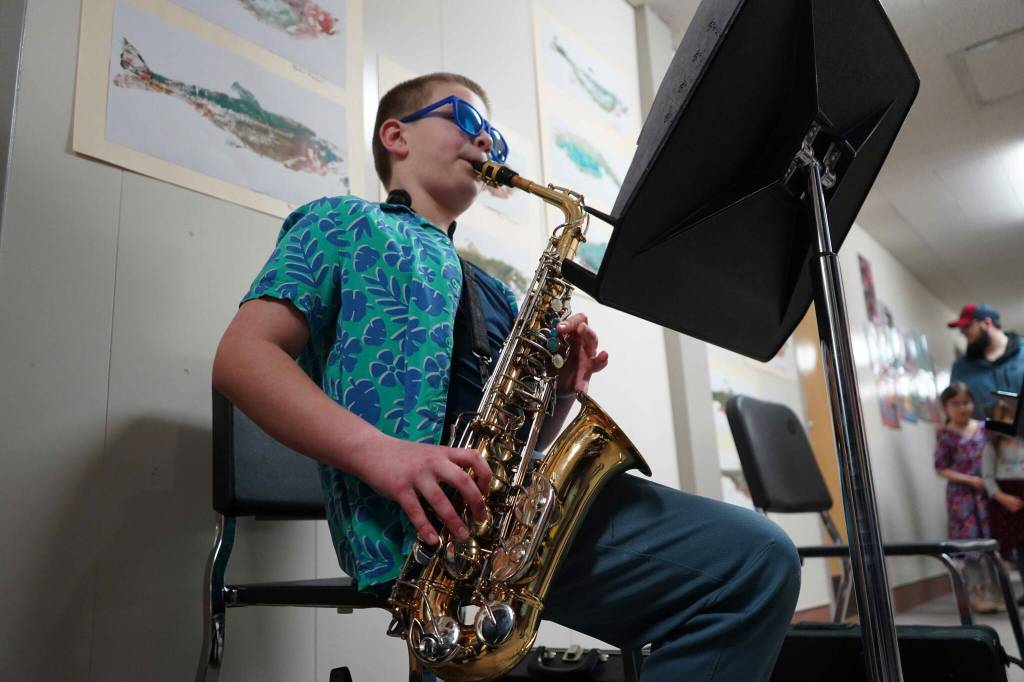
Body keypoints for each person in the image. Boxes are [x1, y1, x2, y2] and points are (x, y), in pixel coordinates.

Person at [212, 72, 800, 681]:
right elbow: (241, 358)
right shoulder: (339, 222)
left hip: (504, 512)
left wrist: (560, 393)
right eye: (468, 121)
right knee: (751, 564)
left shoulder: (494, 289)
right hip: (424, 529)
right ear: (396, 136)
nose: (487, 142)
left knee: (751, 563)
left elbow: (517, 444)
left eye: (495, 135)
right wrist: (383, 454)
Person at [934, 382, 998, 612]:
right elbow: (941, 468)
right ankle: (976, 593)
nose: (962, 408)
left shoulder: (984, 428)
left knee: (991, 541)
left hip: (988, 492)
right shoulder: (944, 434)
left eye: (966, 402)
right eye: (955, 403)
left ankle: (996, 591)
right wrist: (970, 480)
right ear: (945, 407)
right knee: (969, 544)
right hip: (961, 498)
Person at [949, 303, 1024, 418]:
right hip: (983, 429)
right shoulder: (961, 369)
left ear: (987, 323)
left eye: (967, 326)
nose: (962, 332)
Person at [982, 399, 1024, 604]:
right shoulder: (991, 448)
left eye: (1010, 418)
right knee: (1014, 548)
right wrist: (1003, 498)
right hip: (1004, 501)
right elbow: (987, 478)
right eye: (1002, 419)